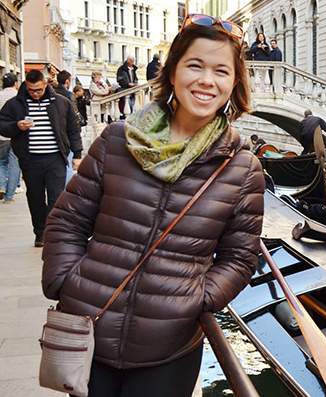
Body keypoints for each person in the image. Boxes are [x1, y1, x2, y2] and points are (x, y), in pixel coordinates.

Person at [41, 13, 263, 397]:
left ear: (234, 83)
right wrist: (65, 281)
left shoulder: (242, 168)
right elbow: (67, 220)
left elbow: (240, 258)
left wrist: (196, 300)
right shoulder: (116, 141)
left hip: (168, 347)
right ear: (173, 71)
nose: (207, 81)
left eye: (221, 71)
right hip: (90, 327)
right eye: (195, 65)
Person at [0, 69, 82, 246]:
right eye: (31, 90)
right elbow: (2, 124)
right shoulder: (16, 104)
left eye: (38, 90)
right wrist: (16, 126)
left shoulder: (61, 103)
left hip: (56, 158)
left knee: (56, 197)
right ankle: (40, 232)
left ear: (45, 84)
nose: (35, 94)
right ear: (25, 86)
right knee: (35, 197)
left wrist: (77, 154)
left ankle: (52, 232)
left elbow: (73, 129)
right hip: (30, 159)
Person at [0, 72, 19, 203]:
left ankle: (1, 186)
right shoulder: (19, 97)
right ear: (15, 83)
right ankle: (9, 196)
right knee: (14, 165)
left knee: (1, 162)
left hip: (1, 135)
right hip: (16, 134)